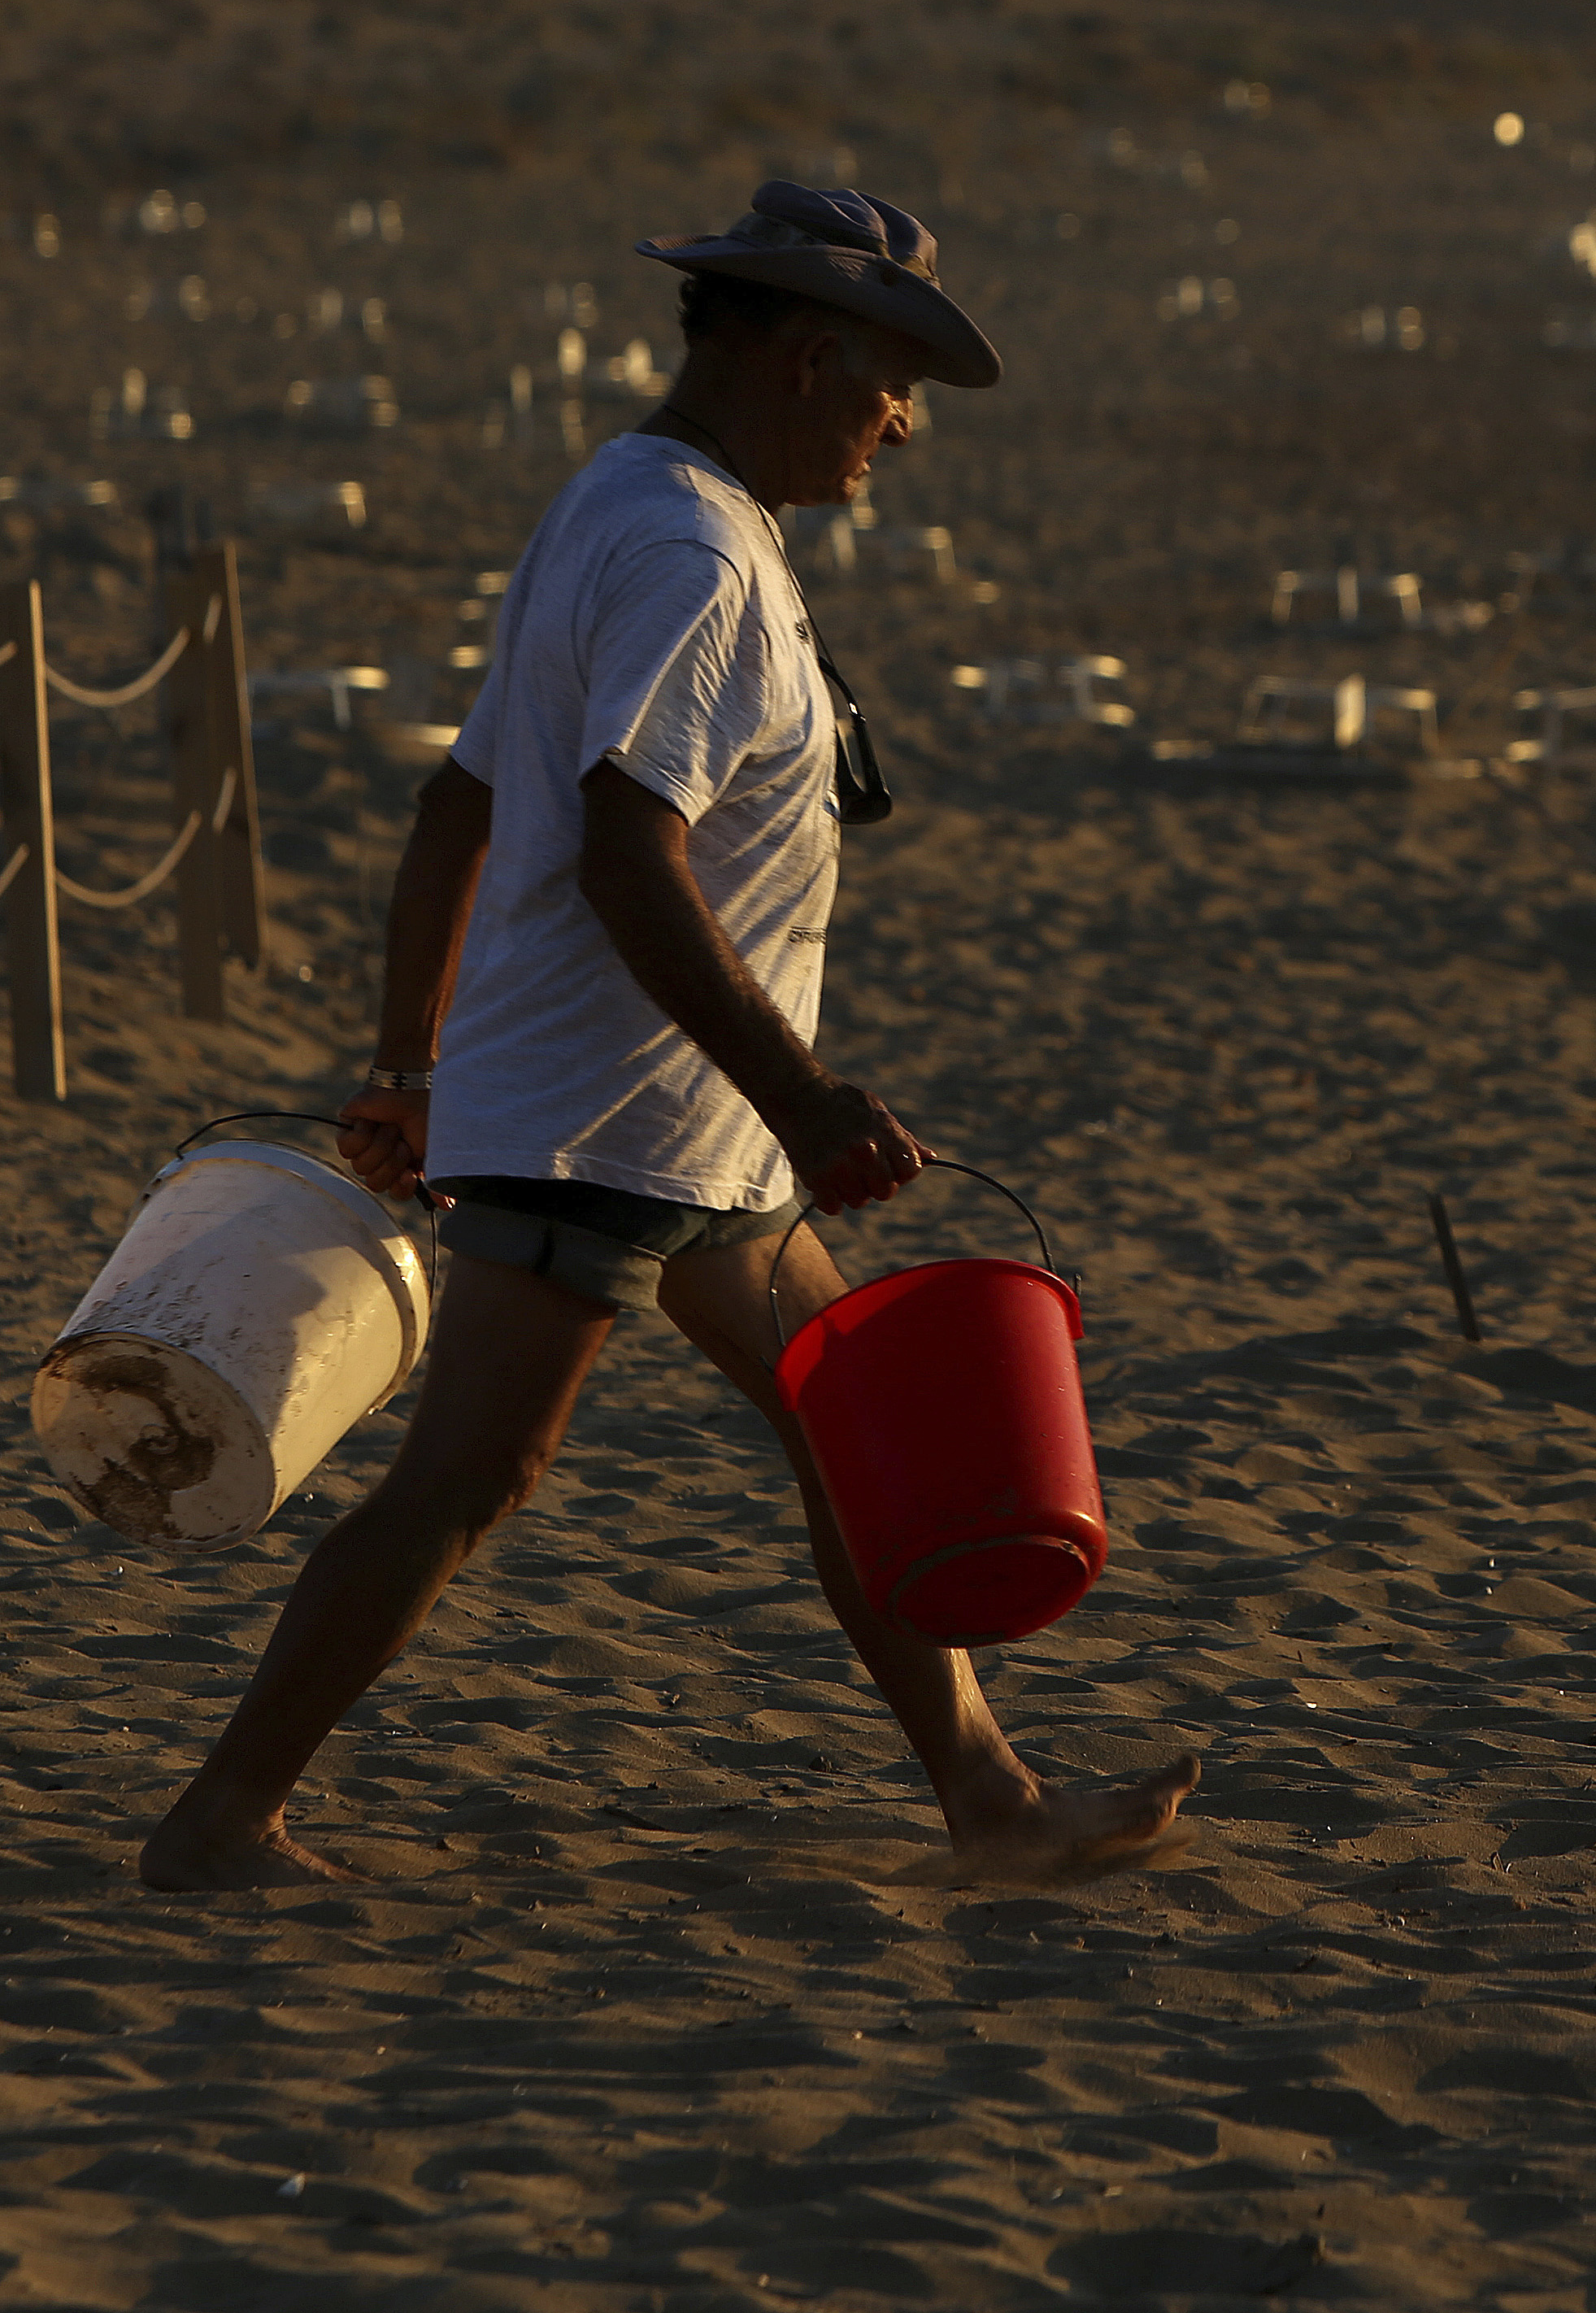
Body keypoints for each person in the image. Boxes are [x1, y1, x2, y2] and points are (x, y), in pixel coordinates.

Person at [141, 181, 1198, 1890]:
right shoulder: (689, 554)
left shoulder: (632, 505)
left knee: (861, 1440)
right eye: (893, 382)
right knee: (472, 1479)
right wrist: (803, 1089)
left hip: (687, 1127)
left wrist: (415, 1067)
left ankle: (992, 1800)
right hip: (608, 1121)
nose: (906, 425)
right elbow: (631, 850)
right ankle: (220, 1820)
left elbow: (461, 800)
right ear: (810, 352)